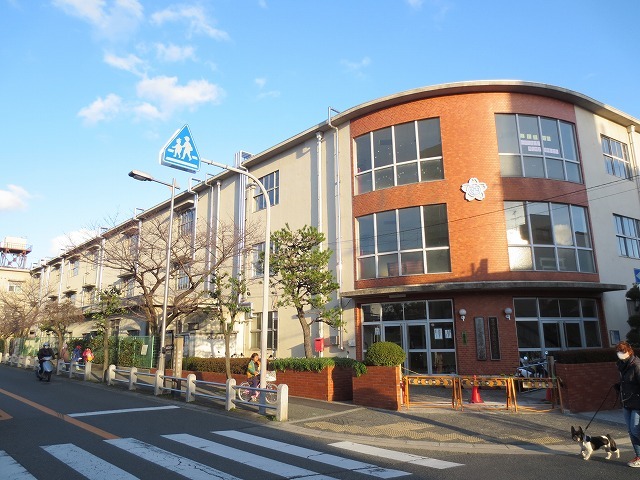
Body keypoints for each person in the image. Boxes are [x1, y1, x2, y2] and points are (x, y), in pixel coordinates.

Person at [615, 341, 640, 467]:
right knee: (631, 431)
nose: (620, 354)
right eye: (618, 351)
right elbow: (627, 382)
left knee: (635, 430)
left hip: (637, 403)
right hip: (626, 402)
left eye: (622, 351)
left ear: (629, 351)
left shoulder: (636, 365)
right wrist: (619, 386)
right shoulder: (622, 365)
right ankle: (638, 456)